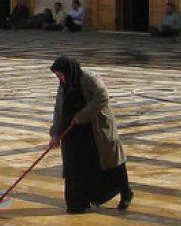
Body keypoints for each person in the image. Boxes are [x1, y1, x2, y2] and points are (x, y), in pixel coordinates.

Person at [49, 56, 133, 213]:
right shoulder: (64, 86)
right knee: (75, 165)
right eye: (57, 75)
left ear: (69, 71)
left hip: (97, 129)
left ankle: (125, 191)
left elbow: (102, 98)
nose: (59, 78)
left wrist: (81, 116)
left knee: (111, 162)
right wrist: (55, 134)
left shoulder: (89, 79)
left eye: (60, 74)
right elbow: (59, 110)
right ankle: (78, 202)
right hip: (74, 132)